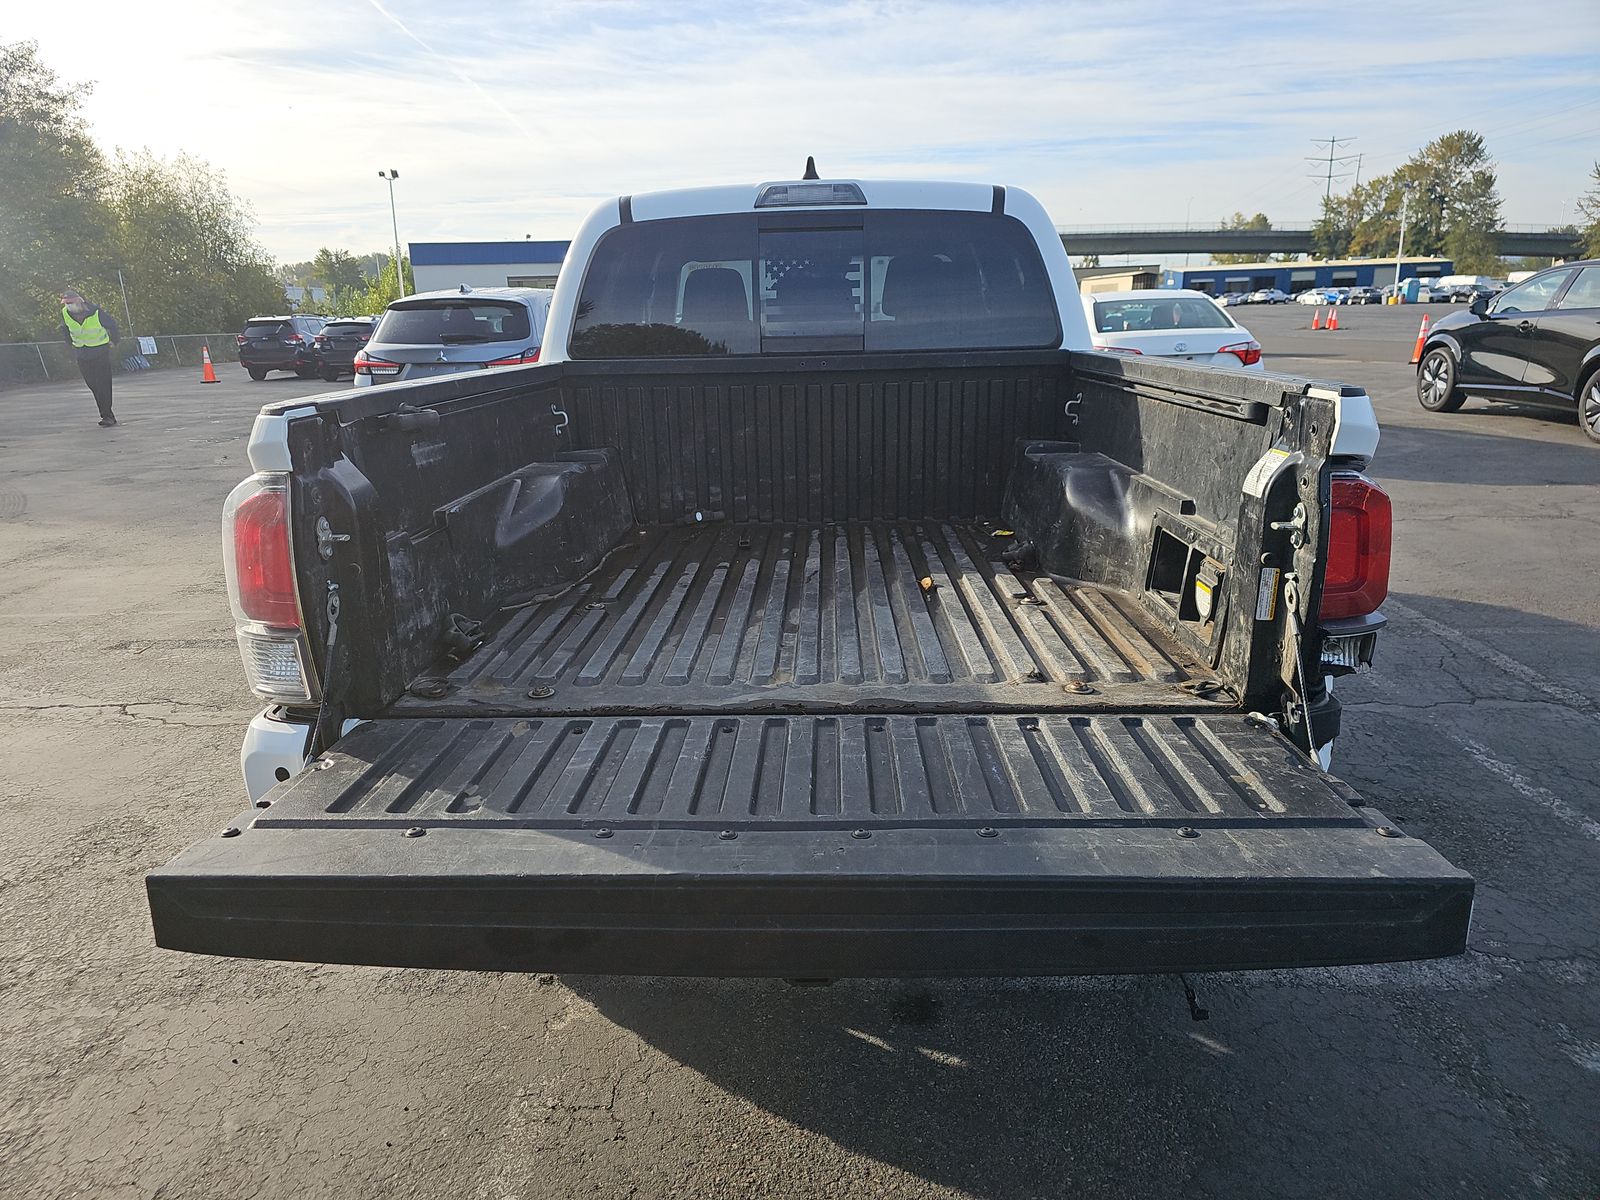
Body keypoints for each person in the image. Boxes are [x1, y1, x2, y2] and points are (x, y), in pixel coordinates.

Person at [59, 289, 122, 427]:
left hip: (100, 352)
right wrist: (70, 343)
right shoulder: (65, 313)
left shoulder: (96, 313)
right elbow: (64, 329)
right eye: (66, 303)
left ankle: (107, 416)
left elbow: (112, 325)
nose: (68, 306)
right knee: (93, 385)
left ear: (79, 301)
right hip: (82, 353)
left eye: (70, 303)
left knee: (103, 385)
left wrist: (115, 341)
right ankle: (106, 413)